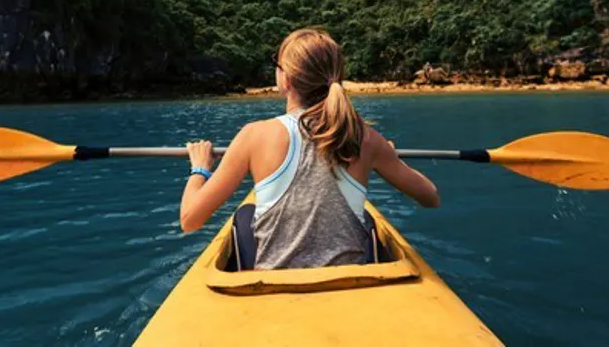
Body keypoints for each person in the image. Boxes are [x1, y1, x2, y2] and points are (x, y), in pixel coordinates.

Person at [178, 27, 440, 270]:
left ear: (287, 79)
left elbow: (190, 220)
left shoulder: (254, 135)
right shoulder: (367, 138)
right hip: (350, 286)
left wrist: (199, 169)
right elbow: (430, 197)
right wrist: (390, 157)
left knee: (245, 217)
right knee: (367, 221)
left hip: (277, 288)